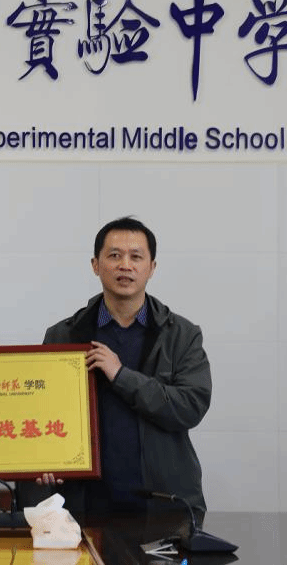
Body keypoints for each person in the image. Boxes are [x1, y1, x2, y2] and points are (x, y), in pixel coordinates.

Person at [34, 217, 212, 522]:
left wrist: (121, 375)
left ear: (151, 267)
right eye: (114, 255)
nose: (125, 265)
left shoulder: (181, 335)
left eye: (136, 257)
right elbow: (43, 413)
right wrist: (46, 458)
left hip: (163, 504)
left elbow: (190, 407)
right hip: (84, 506)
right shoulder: (63, 335)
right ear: (95, 265)